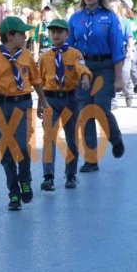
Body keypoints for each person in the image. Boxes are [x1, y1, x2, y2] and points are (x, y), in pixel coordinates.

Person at [0, 16, 50, 211]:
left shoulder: (27, 55)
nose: (25, 37)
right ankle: (14, 192)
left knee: (22, 146)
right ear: (9, 36)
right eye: (21, 34)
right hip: (4, 106)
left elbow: (36, 80)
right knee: (6, 151)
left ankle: (25, 181)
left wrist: (43, 102)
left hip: (23, 104)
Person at [66, 0, 126, 173]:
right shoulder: (76, 18)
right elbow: (69, 48)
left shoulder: (109, 17)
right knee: (85, 112)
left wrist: (119, 78)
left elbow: (117, 49)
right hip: (82, 67)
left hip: (104, 67)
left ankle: (115, 138)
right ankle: (91, 160)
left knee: (100, 107)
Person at [38, 19, 91, 191]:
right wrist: (40, 104)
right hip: (50, 99)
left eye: (59, 32)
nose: (56, 35)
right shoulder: (44, 57)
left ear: (67, 34)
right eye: (52, 32)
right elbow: (39, 82)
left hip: (70, 99)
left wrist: (84, 78)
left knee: (71, 138)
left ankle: (71, 174)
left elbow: (82, 69)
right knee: (48, 137)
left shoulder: (75, 54)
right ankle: (48, 177)